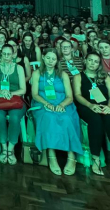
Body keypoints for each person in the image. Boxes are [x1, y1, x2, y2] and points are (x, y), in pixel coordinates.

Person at [31, 48, 83, 176]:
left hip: (63, 103)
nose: (50, 61)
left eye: (53, 59)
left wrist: (61, 105)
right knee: (49, 117)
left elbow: (70, 96)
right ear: (43, 57)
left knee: (66, 118)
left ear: (57, 61)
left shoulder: (63, 74)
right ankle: (51, 154)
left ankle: (71, 156)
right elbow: (35, 94)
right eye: (48, 58)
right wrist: (47, 104)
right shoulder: (37, 73)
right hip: (43, 103)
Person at [72, 52, 110, 175]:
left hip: (106, 105)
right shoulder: (78, 76)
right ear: (85, 61)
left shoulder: (105, 76)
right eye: (90, 60)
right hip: (87, 106)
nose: (92, 63)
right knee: (95, 121)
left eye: (96, 61)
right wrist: (91, 105)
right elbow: (77, 95)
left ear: (99, 64)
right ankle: (96, 158)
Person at [0, 44, 26, 165]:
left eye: (9, 54)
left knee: (14, 117)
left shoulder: (19, 68)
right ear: (1, 54)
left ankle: (11, 149)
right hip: (1, 99)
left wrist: (10, 93)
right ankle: (4, 148)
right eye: (4, 54)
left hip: (15, 99)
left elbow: (23, 90)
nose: (6, 57)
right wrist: (2, 92)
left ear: (13, 55)